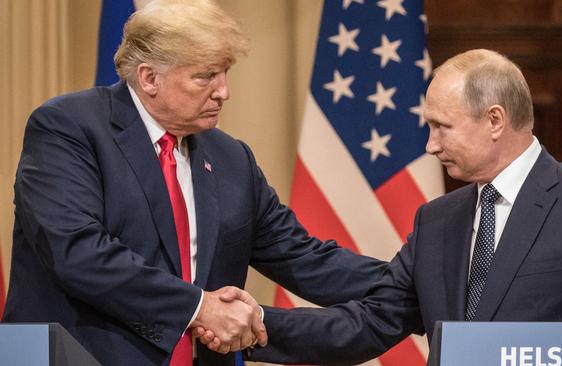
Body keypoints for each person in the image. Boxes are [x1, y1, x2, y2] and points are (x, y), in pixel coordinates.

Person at [1, 1, 386, 365]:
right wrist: (199, 307)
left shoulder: (231, 157)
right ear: (149, 78)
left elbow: (302, 257)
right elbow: (78, 252)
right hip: (84, 355)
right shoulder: (69, 128)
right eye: (205, 76)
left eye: (224, 73)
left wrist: (414, 282)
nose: (224, 91)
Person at [239, 49, 562, 365]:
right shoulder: (437, 220)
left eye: (442, 127)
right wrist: (249, 325)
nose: (430, 145)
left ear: (494, 120)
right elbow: (369, 321)